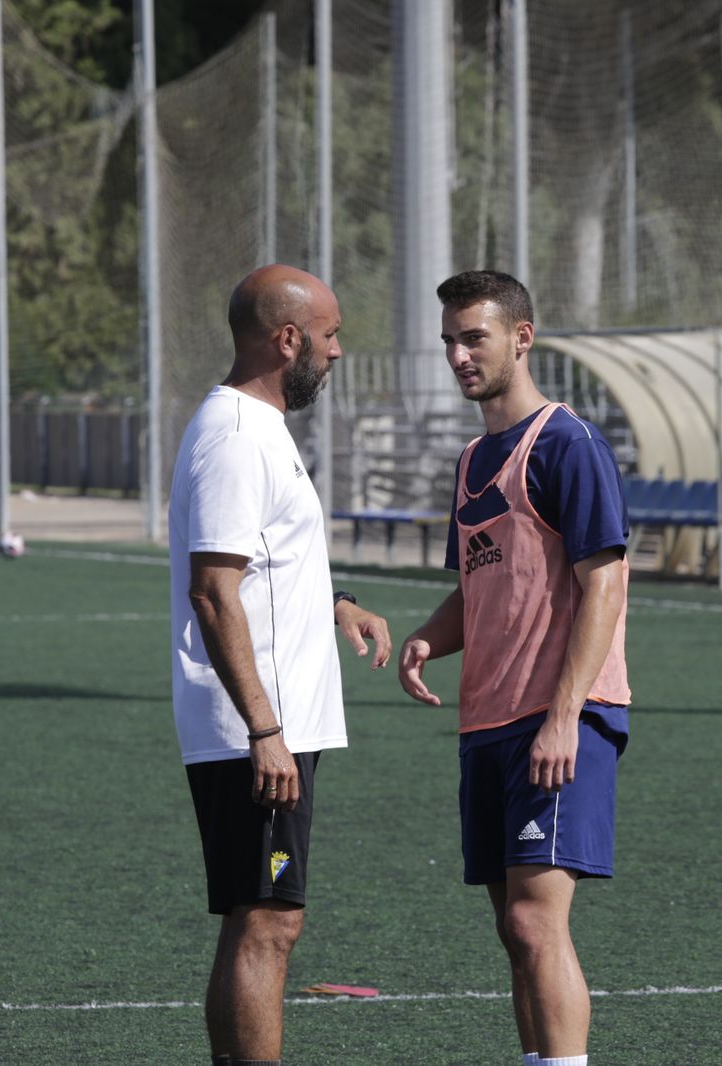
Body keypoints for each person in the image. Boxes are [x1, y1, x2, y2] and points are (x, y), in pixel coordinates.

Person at [398, 270, 630, 1066]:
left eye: (475, 338)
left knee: (536, 921)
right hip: (488, 721)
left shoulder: (568, 443)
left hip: (558, 718)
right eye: (449, 341)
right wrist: (431, 636)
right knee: (513, 928)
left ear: (522, 338)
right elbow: (480, 580)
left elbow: (605, 582)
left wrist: (565, 716)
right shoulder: (472, 458)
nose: (459, 356)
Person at [169, 264, 392, 1066]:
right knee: (269, 922)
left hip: (270, 724)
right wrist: (265, 730)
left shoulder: (259, 427)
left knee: (257, 918)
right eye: (330, 336)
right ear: (288, 339)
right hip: (258, 728)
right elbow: (213, 592)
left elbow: (265, 563)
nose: (337, 352)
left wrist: (339, 605)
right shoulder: (235, 436)